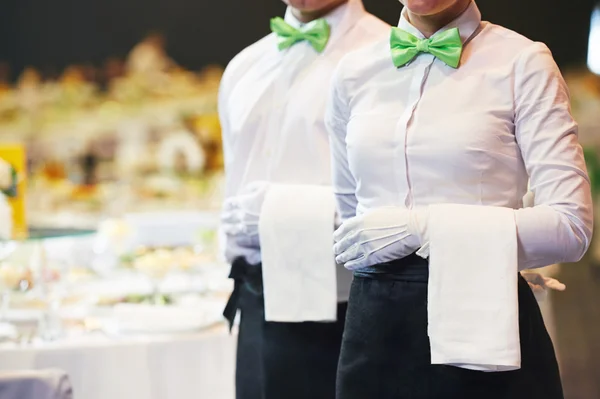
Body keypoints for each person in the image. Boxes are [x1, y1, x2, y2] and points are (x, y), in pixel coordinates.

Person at [325, 0, 593, 398]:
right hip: (374, 330)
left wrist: (424, 228)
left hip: (483, 321)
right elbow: (351, 220)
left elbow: (571, 227)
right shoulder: (351, 72)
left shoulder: (523, 62)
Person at [218, 1, 389, 398]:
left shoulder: (387, 57)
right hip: (257, 303)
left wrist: (272, 210)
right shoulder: (245, 66)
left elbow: (398, 205)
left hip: (347, 309)